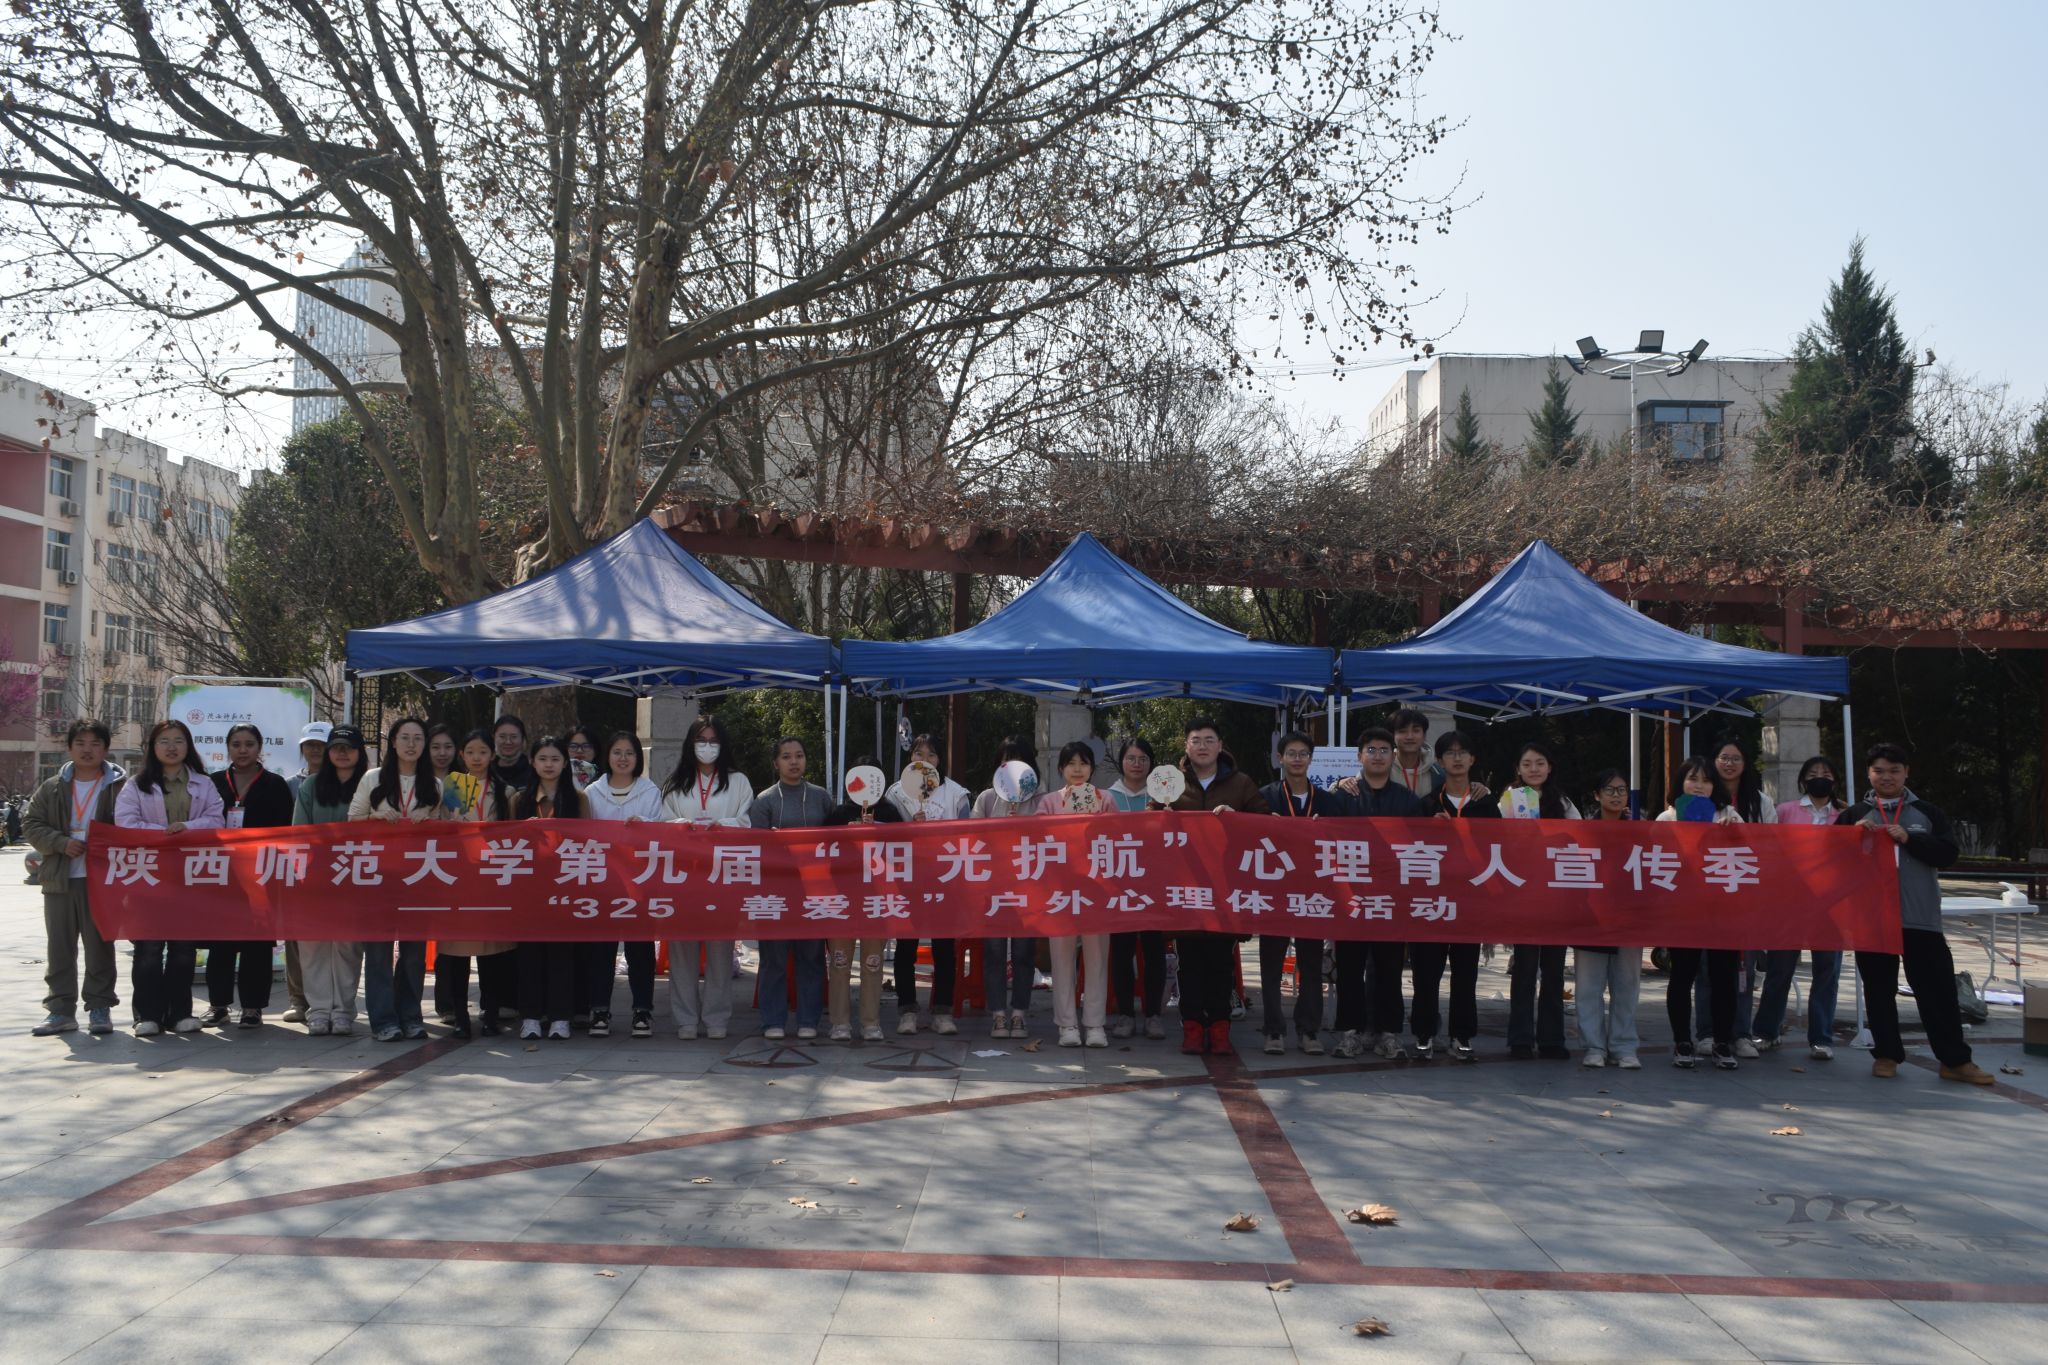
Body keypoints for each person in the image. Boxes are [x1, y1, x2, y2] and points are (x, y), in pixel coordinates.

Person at [1839, 743, 1994, 1086]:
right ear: (1869, 773)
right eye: (1879, 771)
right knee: (1879, 990)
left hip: (1920, 918)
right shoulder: (1854, 815)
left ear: (1906, 773)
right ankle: (1886, 1055)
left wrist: (1910, 839)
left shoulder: (1927, 813)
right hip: (1873, 919)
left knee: (1937, 991)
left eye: (1894, 771)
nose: (1887, 777)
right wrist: (1852, 838)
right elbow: (1831, 860)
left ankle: (1955, 1061)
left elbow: (1948, 854)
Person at [115, 718, 226, 1036]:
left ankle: (180, 1013)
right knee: (148, 948)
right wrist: (163, 833)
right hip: (148, 876)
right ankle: (147, 1015)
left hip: (188, 876)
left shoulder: (203, 784)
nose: (172, 747)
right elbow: (125, 824)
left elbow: (216, 820)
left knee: (183, 948)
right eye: (164, 741)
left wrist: (187, 828)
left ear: (188, 746)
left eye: (179, 740)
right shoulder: (136, 784)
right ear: (153, 747)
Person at [1167, 718, 1270, 1054]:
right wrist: (1160, 815)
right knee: (1188, 964)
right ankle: (1193, 1027)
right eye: (1196, 740)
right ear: (1186, 746)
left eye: (1209, 740)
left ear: (1220, 746)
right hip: (1186, 889)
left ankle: (1220, 1028)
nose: (1202, 746)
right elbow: (1149, 826)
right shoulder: (1171, 783)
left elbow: (1264, 823)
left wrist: (1236, 818)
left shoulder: (1241, 783)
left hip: (1226, 890)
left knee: (1221, 964)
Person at [25, 719, 126, 1037]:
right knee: (60, 947)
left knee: (100, 946)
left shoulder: (120, 787)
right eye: (80, 743)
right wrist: (60, 842)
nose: (87, 750)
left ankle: (99, 1007)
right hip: (60, 878)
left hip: (102, 881)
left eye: (95, 743)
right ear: (69, 747)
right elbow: (31, 824)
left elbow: (133, 824)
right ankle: (60, 1010)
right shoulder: (52, 787)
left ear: (106, 749)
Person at [349, 717, 442, 1041]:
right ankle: (383, 1020)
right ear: (393, 742)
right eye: (405, 737)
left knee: (414, 952)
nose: (411, 744)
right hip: (378, 876)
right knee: (378, 951)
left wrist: (429, 818)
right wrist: (374, 818)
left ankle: (411, 1016)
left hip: (418, 878)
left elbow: (444, 832)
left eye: (418, 738)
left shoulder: (434, 785)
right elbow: (351, 822)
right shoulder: (373, 778)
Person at [660, 715, 752, 1040]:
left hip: (723, 876)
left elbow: (747, 822)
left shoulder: (738, 781)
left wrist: (722, 826)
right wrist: (683, 826)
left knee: (720, 952)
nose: (707, 747)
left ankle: (716, 1018)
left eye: (713, 741)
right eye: (701, 740)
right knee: (682, 951)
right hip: (683, 877)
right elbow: (662, 823)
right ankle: (685, 1018)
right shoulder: (675, 783)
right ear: (690, 744)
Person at [1333, 727, 1422, 1060]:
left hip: (1390, 900)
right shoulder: (1343, 796)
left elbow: (1423, 844)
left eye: (1384, 750)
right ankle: (1350, 1034)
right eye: (1371, 749)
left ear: (1393, 756)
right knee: (1349, 970)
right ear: (1359, 756)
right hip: (1351, 898)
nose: (1378, 755)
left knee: (1389, 971)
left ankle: (1389, 1034)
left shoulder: (1407, 800)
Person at [1754, 755, 1847, 1060]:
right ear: (1803, 780)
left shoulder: (1845, 815)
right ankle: (1767, 1031)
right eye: (1813, 773)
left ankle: (1821, 1037)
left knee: (1827, 971)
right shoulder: (1785, 811)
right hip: (1790, 903)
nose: (1820, 777)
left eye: (1826, 773)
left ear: (1836, 780)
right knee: (1779, 969)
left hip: (1831, 905)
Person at [1412, 729, 1495, 1063]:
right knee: (1426, 972)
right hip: (1432, 902)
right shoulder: (1427, 804)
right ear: (1439, 760)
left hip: (1470, 903)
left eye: (1463, 752)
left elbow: (1502, 848)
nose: (1457, 758)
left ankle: (1462, 1035)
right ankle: (1423, 1034)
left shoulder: (1486, 804)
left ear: (1472, 759)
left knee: (1466, 973)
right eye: (1450, 753)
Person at [577, 730, 665, 1038]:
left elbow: (662, 829)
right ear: (608, 756)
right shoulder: (592, 792)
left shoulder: (650, 791)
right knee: (601, 948)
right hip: (603, 881)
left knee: (640, 948)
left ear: (638, 758)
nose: (623, 758)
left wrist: (644, 827)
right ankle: (599, 1009)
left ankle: (642, 1010)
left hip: (639, 881)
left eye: (629, 753)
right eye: (617, 752)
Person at [204, 723, 292, 1029]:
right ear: (228, 748)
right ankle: (218, 1005)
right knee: (220, 942)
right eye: (236, 744)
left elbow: (286, 831)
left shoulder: (275, 784)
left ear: (259, 748)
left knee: (257, 943)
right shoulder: (213, 782)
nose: (243, 750)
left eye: (249, 744)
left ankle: (253, 1007)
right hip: (221, 873)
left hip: (260, 874)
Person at [1657, 756, 1742, 1070]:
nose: (1699, 785)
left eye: (1706, 780)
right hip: (1683, 910)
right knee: (1682, 975)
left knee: (1724, 978)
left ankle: (1722, 1042)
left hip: (1723, 912)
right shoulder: (1667, 818)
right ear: (1681, 782)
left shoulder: (1728, 814)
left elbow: (1750, 853)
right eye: (1692, 778)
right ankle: (1682, 1041)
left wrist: (1735, 832)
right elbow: (1653, 858)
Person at [747, 736, 831, 1042]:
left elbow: (836, 842)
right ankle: (773, 1020)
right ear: (776, 763)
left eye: (799, 755)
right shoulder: (764, 800)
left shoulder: (821, 797)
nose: (794, 762)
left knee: (811, 957)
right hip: (775, 892)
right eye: (786, 756)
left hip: (815, 891)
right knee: (774, 959)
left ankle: (809, 1019)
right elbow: (755, 847)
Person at [434, 727, 516, 1036]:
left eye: (482, 752)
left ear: (492, 754)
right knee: (456, 953)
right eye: (470, 752)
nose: (477, 758)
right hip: (459, 878)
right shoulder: (455, 784)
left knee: (491, 953)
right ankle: (460, 1017)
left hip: (491, 877)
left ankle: (491, 1015)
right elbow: (443, 827)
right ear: (462, 755)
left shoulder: (505, 790)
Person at [1499, 740, 1578, 1061]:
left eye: (1540, 763)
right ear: (1518, 769)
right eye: (1527, 764)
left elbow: (1580, 840)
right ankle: (1520, 1039)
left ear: (1550, 767)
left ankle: (1552, 1039)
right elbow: (1496, 840)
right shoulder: (1509, 799)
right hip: (1524, 895)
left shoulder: (1564, 802)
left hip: (1556, 897)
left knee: (1554, 971)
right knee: (1525, 969)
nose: (1534, 769)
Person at [888, 733, 970, 1035]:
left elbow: (968, 835)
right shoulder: (895, 793)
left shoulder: (957, 794)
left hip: (945, 881)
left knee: (944, 948)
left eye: (931, 754)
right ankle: (907, 1010)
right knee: (905, 948)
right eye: (918, 753)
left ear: (940, 760)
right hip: (907, 880)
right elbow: (884, 835)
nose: (924, 760)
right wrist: (909, 829)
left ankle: (943, 1012)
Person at [1256, 731, 1332, 1056]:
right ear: (1280, 758)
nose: (1297, 759)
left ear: (1311, 759)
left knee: (1311, 965)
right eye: (1291, 753)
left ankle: (1309, 1030)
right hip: (1274, 893)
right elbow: (1245, 833)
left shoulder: (1327, 800)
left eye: (1303, 754)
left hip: (1313, 893)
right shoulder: (1264, 798)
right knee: (1271, 965)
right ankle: (1273, 1029)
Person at [1700, 734, 1776, 1058]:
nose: (1729, 764)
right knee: (1708, 969)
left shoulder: (1761, 802)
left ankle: (1741, 1033)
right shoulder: (1700, 798)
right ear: (1713, 762)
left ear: (1745, 764)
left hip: (1747, 895)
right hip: (1708, 896)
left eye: (1736, 758)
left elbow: (1772, 844)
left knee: (1744, 969)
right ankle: (1706, 1032)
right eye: (1723, 758)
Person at [1036, 740, 1112, 1048]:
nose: (1078, 769)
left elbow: (1120, 838)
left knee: (1096, 959)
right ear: (1061, 768)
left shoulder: (1105, 799)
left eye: (1083, 763)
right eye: (1071, 763)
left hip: (1097, 891)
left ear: (1092, 768)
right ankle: (1067, 1024)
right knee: (1061, 959)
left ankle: (1095, 1024)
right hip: (1061, 892)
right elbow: (1035, 838)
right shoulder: (1049, 802)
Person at [294, 726, 369, 1033]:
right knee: (314, 946)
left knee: (347, 946)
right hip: (316, 878)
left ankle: (343, 1011)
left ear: (360, 752)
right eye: (336, 747)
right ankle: (319, 1010)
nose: (342, 753)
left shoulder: (369, 784)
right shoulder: (311, 785)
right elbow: (299, 831)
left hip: (356, 877)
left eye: (348, 748)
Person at [825, 753, 904, 1041]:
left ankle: (871, 1023)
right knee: (839, 963)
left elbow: (904, 851)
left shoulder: (890, 814)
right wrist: (848, 836)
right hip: (842, 900)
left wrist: (877, 833)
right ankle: (839, 1023)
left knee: (872, 962)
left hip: (877, 900)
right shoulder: (838, 815)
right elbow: (821, 852)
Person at [514, 736, 584, 1039]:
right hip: (528, 888)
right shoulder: (519, 799)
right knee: (529, 953)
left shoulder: (578, 799)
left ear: (565, 763)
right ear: (532, 762)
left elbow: (589, 842)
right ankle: (530, 1016)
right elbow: (506, 843)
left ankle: (560, 1017)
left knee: (561, 953)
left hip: (565, 885)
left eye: (555, 759)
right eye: (542, 758)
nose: (549, 765)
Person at [1573, 767, 1643, 1069]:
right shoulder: (1584, 830)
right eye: (1610, 790)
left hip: (1629, 919)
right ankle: (1593, 1046)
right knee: (1588, 986)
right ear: (1597, 795)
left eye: (1621, 790)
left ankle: (1624, 1046)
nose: (1616, 795)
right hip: (1591, 918)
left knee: (1627, 985)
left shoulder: (1639, 830)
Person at [972, 735, 1040, 1040]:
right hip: (994, 887)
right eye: (1005, 759)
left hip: (1029, 888)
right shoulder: (987, 799)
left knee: (1024, 952)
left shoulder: (1041, 800)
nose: (1011, 766)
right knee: (995, 952)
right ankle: (998, 1014)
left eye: (1018, 760)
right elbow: (972, 838)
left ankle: (1019, 1014)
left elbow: (1052, 838)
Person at [1105, 736, 1168, 1040]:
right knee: (1122, 951)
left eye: (1143, 759)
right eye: (1131, 758)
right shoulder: (1107, 798)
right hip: (1119, 885)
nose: (1137, 764)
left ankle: (1153, 1015)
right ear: (1122, 762)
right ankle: (1125, 1015)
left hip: (1155, 884)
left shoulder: (1163, 797)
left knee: (1155, 950)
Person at [277, 720, 334, 1024]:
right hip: (296, 869)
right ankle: (298, 999)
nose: (315, 750)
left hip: (336, 870)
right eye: (310, 744)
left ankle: (330, 998)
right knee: (296, 937)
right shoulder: (288, 785)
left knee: (333, 937)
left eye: (321, 745)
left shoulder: (345, 782)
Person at [491, 714, 535, 791]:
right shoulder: (485, 771)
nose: (508, 742)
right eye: (502, 736)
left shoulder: (534, 773)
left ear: (523, 739)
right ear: (494, 738)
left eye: (514, 737)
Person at [563, 724, 600, 790]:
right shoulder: (555, 780)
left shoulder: (605, 782)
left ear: (595, 751)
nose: (579, 751)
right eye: (573, 746)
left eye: (586, 746)